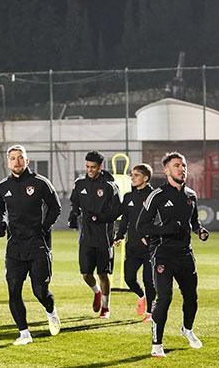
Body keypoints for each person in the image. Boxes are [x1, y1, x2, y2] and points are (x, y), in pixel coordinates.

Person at [137, 152, 210, 358]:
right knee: (165, 297)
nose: (182, 169)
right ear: (166, 170)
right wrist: (166, 230)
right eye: (177, 165)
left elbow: (193, 222)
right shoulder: (157, 195)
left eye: (183, 165)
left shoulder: (191, 195)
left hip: (185, 254)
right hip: (163, 255)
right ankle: (157, 344)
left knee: (191, 297)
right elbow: (141, 226)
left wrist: (200, 231)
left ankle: (187, 329)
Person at [0, 145, 62, 345]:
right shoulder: (3, 186)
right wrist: (1, 223)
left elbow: (55, 207)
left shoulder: (40, 182)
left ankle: (51, 311)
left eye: (20, 157)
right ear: (8, 162)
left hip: (37, 244)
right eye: (13, 158)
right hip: (14, 246)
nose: (17, 161)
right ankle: (24, 334)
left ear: (27, 160)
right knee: (13, 290)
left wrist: (44, 227)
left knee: (40, 291)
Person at [68, 150, 121, 319]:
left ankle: (105, 307)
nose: (90, 170)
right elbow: (75, 203)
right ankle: (97, 292)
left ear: (100, 167)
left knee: (103, 274)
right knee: (86, 274)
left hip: (104, 237)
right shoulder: (80, 183)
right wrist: (73, 215)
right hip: (86, 236)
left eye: (93, 167)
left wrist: (101, 217)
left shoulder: (109, 186)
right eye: (87, 167)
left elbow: (118, 210)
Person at [113, 163, 155, 322]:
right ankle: (141, 295)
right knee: (129, 278)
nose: (132, 177)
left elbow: (159, 220)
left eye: (136, 175)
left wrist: (151, 237)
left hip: (150, 247)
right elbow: (125, 219)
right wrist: (119, 235)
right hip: (132, 246)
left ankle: (150, 312)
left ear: (145, 178)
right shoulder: (128, 197)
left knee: (149, 281)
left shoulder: (154, 196)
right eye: (132, 174)